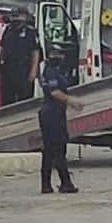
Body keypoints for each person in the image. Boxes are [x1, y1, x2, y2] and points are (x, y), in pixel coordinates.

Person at [38, 43, 82, 194]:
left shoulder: (54, 70)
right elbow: (55, 92)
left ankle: (48, 185)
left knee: (51, 150)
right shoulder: (50, 72)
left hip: (55, 112)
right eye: (60, 54)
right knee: (57, 148)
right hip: (52, 113)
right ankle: (65, 183)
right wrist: (72, 101)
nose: (62, 57)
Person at [0, 7, 41, 105]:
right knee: (7, 98)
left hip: (23, 68)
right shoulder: (8, 29)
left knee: (24, 99)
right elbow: (3, 48)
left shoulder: (31, 32)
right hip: (8, 67)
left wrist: (33, 70)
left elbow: (35, 52)